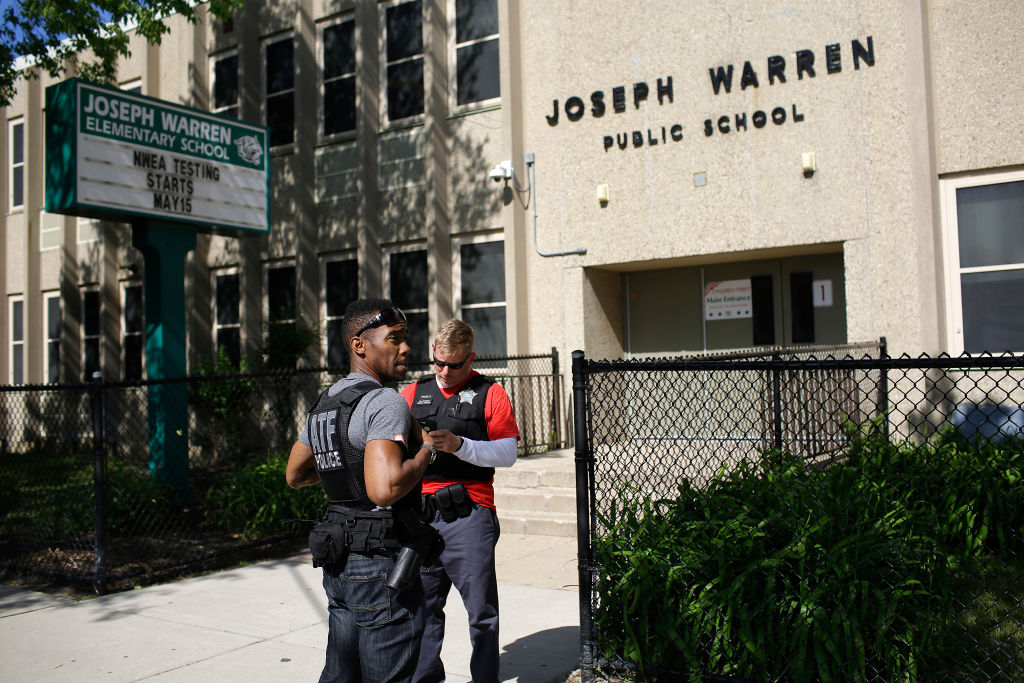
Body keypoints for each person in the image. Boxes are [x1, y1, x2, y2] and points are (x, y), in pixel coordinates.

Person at [286, 298, 439, 683]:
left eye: (406, 338)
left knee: (341, 674)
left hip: (338, 561)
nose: (406, 348)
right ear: (360, 345)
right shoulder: (384, 400)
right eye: (394, 339)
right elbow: (385, 489)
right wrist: (427, 453)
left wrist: (350, 473)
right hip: (377, 565)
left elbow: (296, 473)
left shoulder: (326, 402)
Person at [401, 319, 520, 683]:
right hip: (420, 515)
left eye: (455, 364)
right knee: (421, 609)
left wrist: (460, 446)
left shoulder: (490, 392)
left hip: (469, 511)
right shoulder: (411, 393)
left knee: (481, 612)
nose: (445, 371)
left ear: (472, 358)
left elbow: (508, 452)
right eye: (438, 362)